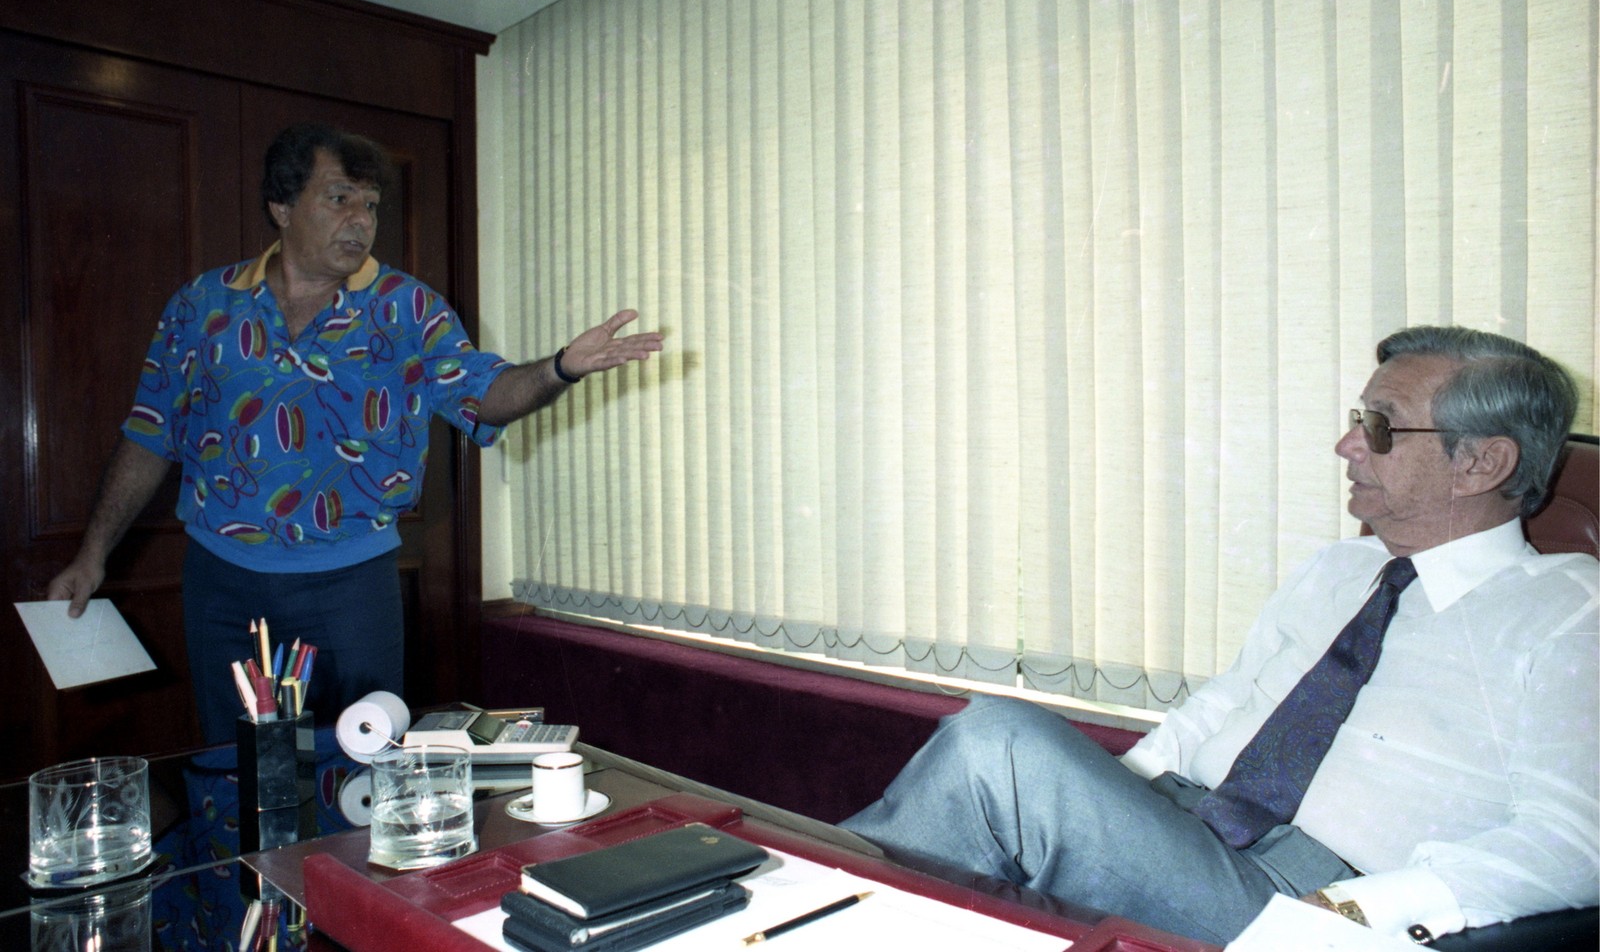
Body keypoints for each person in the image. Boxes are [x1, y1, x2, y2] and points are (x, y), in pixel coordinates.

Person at [840, 326, 1597, 944]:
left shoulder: (1569, 611)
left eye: (1378, 426)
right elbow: (1224, 705)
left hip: (1308, 898)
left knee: (996, 744)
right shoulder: (1337, 569)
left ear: (1483, 463)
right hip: (1185, 828)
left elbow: (1575, 841)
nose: (1345, 446)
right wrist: (1104, 807)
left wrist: (1357, 913)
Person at [47, 123, 663, 743]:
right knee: (236, 768)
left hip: (349, 587)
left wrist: (560, 368)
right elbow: (150, 434)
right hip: (223, 584)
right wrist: (92, 554)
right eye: (339, 198)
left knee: (359, 769)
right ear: (281, 207)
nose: (361, 220)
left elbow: (487, 394)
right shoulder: (202, 306)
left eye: (370, 205)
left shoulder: (406, 309)